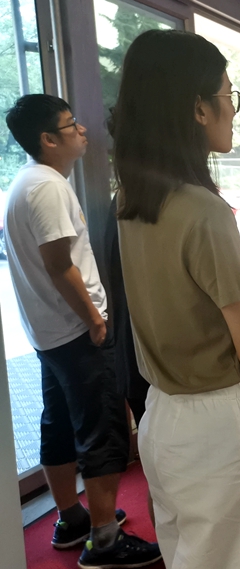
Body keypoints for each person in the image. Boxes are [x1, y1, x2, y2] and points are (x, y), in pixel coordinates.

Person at [114, 29, 240, 569]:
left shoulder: (131, 200)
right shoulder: (203, 210)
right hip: (218, 419)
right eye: (227, 95)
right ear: (197, 108)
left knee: (185, 553)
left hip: (161, 412)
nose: (231, 109)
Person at [3, 95, 157, 567]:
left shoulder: (24, 183)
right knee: (102, 429)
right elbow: (58, 263)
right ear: (48, 139)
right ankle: (105, 539)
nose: (83, 130)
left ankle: (71, 517)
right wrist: (94, 319)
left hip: (50, 334)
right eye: (72, 125)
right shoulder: (47, 187)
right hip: (77, 331)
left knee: (59, 424)